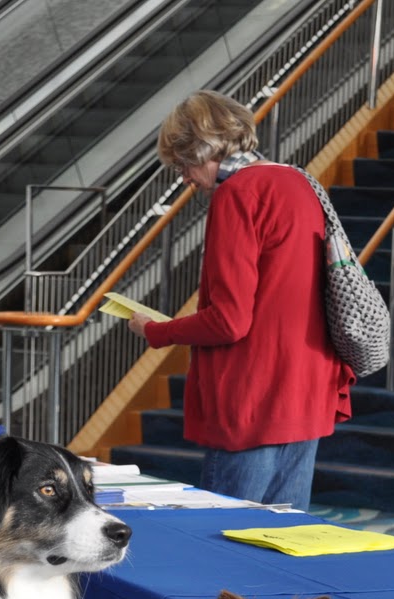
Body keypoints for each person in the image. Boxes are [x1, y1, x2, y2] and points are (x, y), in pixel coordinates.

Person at [126, 90, 352, 512]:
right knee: (286, 533)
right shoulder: (299, 181)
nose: (185, 179)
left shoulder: (237, 194)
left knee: (225, 530)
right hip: (306, 385)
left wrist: (157, 330)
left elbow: (229, 321)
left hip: (254, 392)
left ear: (202, 148)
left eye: (182, 164)